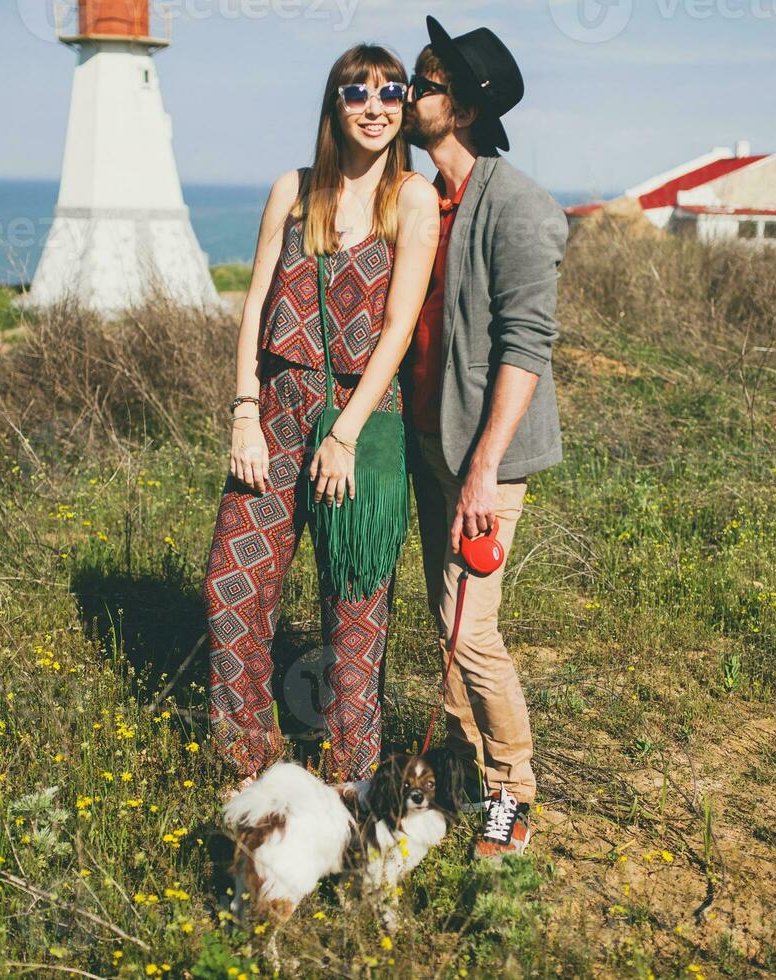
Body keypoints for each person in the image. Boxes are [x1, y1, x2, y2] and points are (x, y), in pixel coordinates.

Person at [203, 44, 440, 791]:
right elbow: (255, 305)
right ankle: (250, 772)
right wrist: (245, 409)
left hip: (361, 419)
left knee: (355, 614)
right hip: (276, 405)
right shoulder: (294, 189)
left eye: (390, 92)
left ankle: (351, 785)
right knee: (229, 587)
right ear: (333, 104)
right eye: (357, 92)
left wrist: (345, 434)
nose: (375, 106)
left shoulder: (412, 198)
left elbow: (398, 329)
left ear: (403, 106)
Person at [401, 17, 568, 861]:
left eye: (419, 87)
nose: (404, 97)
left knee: (472, 633)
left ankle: (513, 800)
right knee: (445, 621)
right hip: (432, 448)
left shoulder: (521, 208)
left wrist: (484, 470)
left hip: (483, 462)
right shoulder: (425, 196)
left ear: (461, 108)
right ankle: (466, 773)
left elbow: (526, 347)